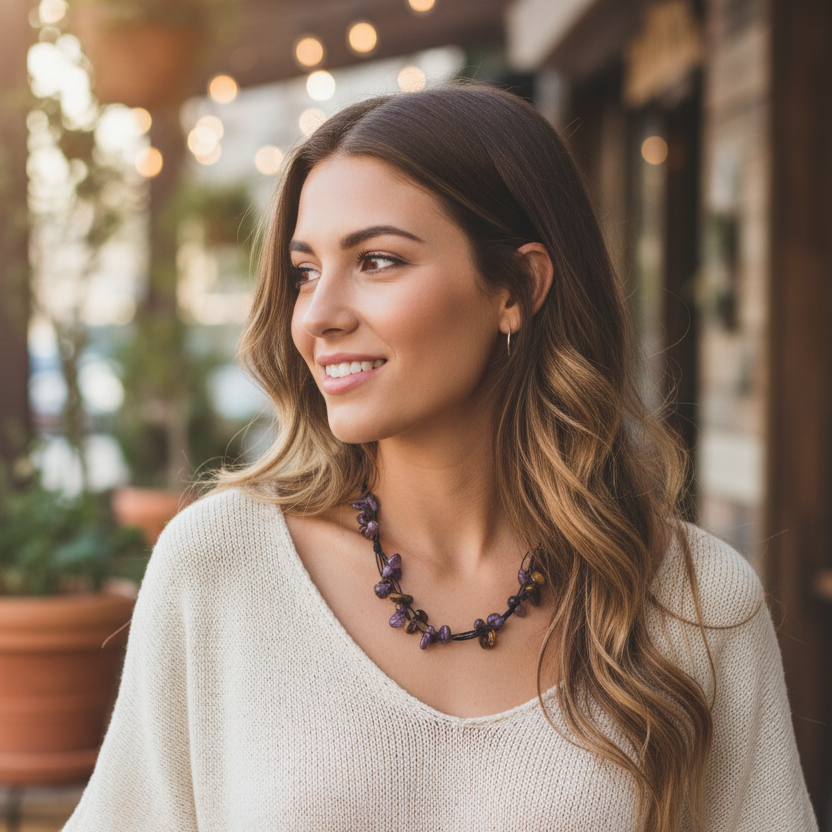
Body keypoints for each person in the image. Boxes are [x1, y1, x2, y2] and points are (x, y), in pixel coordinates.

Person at [63, 84, 817, 832]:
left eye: (380, 261)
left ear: (518, 287)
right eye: (305, 272)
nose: (319, 315)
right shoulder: (220, 567)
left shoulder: (698, 602)